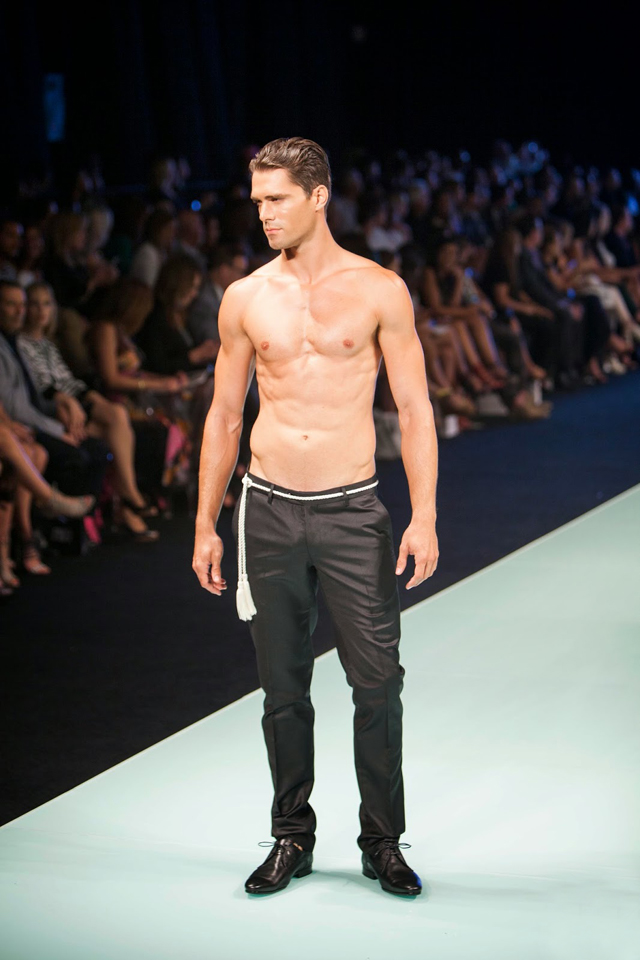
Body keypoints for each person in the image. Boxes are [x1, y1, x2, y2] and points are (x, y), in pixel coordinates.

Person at [193, 137, 438, 898]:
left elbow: (415, 409)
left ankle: (382, 841)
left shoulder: (380, 290)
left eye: (278, 199)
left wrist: (424, 514)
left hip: (351, 511)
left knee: (378, 681)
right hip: (266, 510)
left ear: (319, 195)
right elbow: (224, 415)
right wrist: (204, 524)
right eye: (257, 201)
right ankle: (291, 836)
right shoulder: (245, 297)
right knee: (282, 687)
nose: (263, 213)